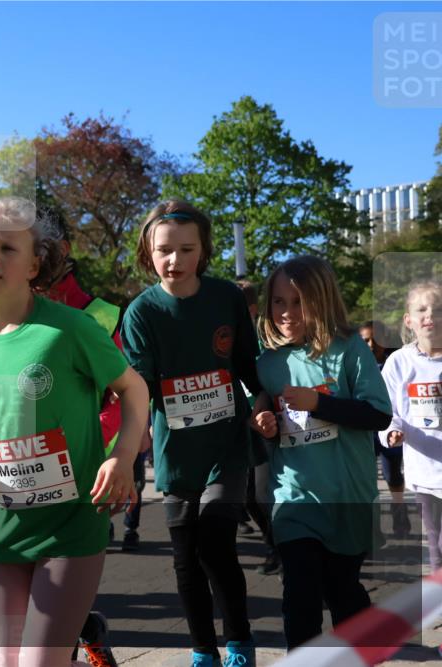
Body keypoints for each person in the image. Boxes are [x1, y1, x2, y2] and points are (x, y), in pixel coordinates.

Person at [0, 197, 149, 667]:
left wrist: (123, 456)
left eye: (8, 248)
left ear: (36, 262)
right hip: (5, 528)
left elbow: (134, 391)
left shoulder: (69, 330)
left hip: (70, 526)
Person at [121, 200, 259, 667]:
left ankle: (239, 644)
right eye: (164, 250)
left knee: (216, 543)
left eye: (186, 249)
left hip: (227, 447)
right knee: (186, 559)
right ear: (148, 253)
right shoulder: (141, 312)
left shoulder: (226, 298)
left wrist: (263, 402)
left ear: (203, 251)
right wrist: (131, 439)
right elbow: (137, 386)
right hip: (176, 455)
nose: (174, 260)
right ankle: (203, 651)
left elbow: (246, 363)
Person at [251, 256, 392, 649]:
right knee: (300, 596)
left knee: (342, 592)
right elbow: (262, 409)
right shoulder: (267, 363)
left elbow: (379, 415)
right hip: (294, 496)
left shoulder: (348, 350)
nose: (287, 313)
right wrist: (263, 420)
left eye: (298, 302)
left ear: (322, 300)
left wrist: (319, 402)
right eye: (278, 302)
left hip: (347, 494)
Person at [379, 281, 442, 570]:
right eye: (422, 309)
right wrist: (391, 430)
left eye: (438, 309)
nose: (430, 315)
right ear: (409, 320)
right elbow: (387, 409)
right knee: (434, 540)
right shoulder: (399, 362)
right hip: (425, 469)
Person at [235, 279, 281, 575]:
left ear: (251, 310)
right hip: (238, 428)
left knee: (262, 492)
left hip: (267, 427)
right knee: (248, 496)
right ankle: (274, 542)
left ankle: (279, 548)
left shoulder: (267, 342)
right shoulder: (220, 340)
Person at [358, 320, 410, 538]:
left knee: (393, 475)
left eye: (375, 339)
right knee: (368, 480)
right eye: (365, 340)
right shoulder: (355, 366)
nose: (371, 345)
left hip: (389, 428)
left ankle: (400, 514)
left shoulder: (396, 363)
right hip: (365, 433)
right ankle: (373, 526)